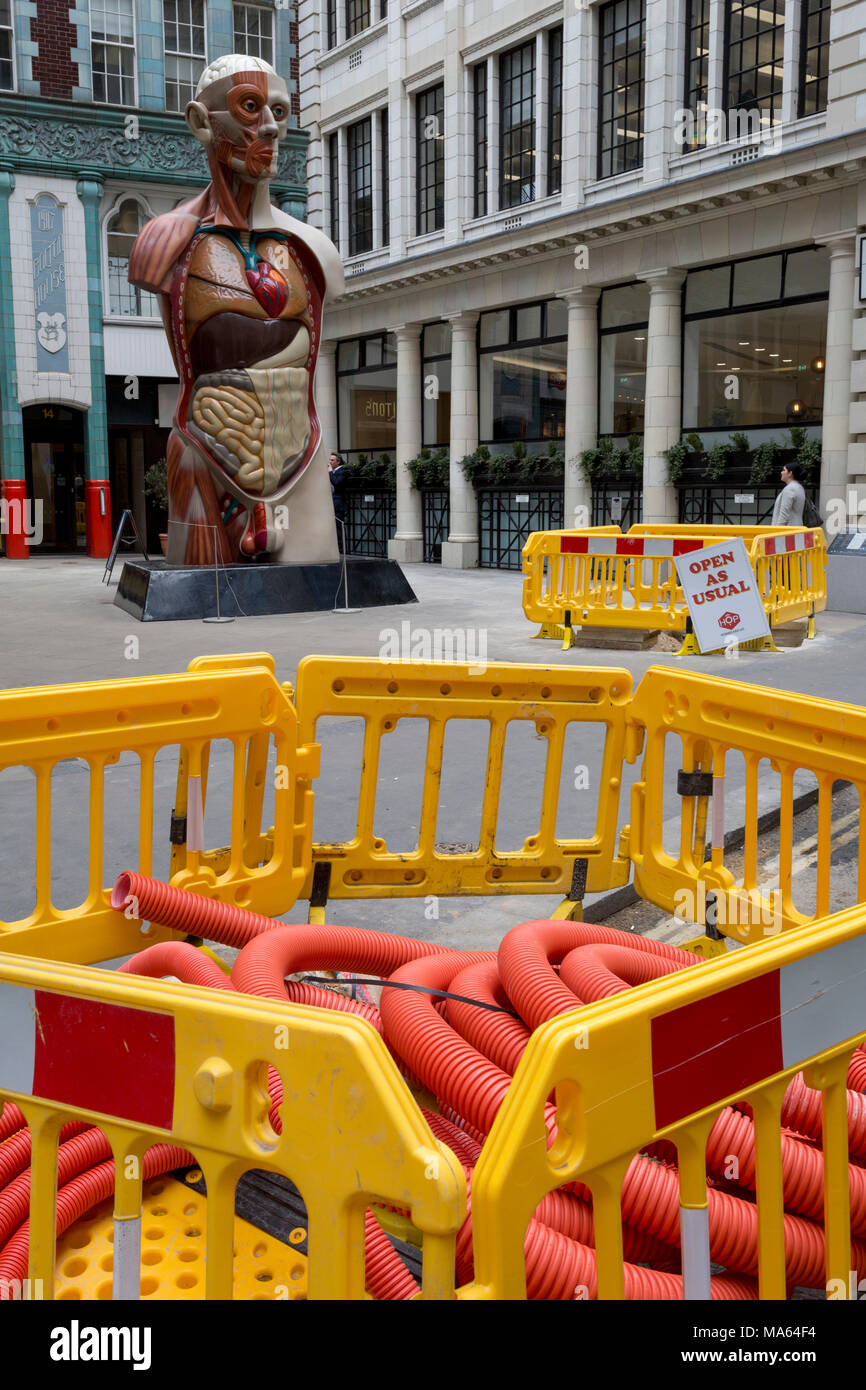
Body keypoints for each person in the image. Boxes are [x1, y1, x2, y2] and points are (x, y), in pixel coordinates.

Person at [772, 461, 806, 527]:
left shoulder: (789, 489)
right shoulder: (799, 487)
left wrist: (777, 531)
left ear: (790, 473)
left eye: (784, 470)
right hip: (796, 529)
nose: (781, 472)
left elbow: (784, 515)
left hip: (787, 531)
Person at [328, 452, 349, 553]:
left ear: (338, 461)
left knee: (338, 528)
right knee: (331, 528)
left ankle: (341, 550)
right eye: (330, 460)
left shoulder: (342, 472)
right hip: (330, 504)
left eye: (332, 460)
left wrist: (330, 472)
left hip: (338, 504)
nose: (330, 462)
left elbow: (336, 482)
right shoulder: (332, 472)